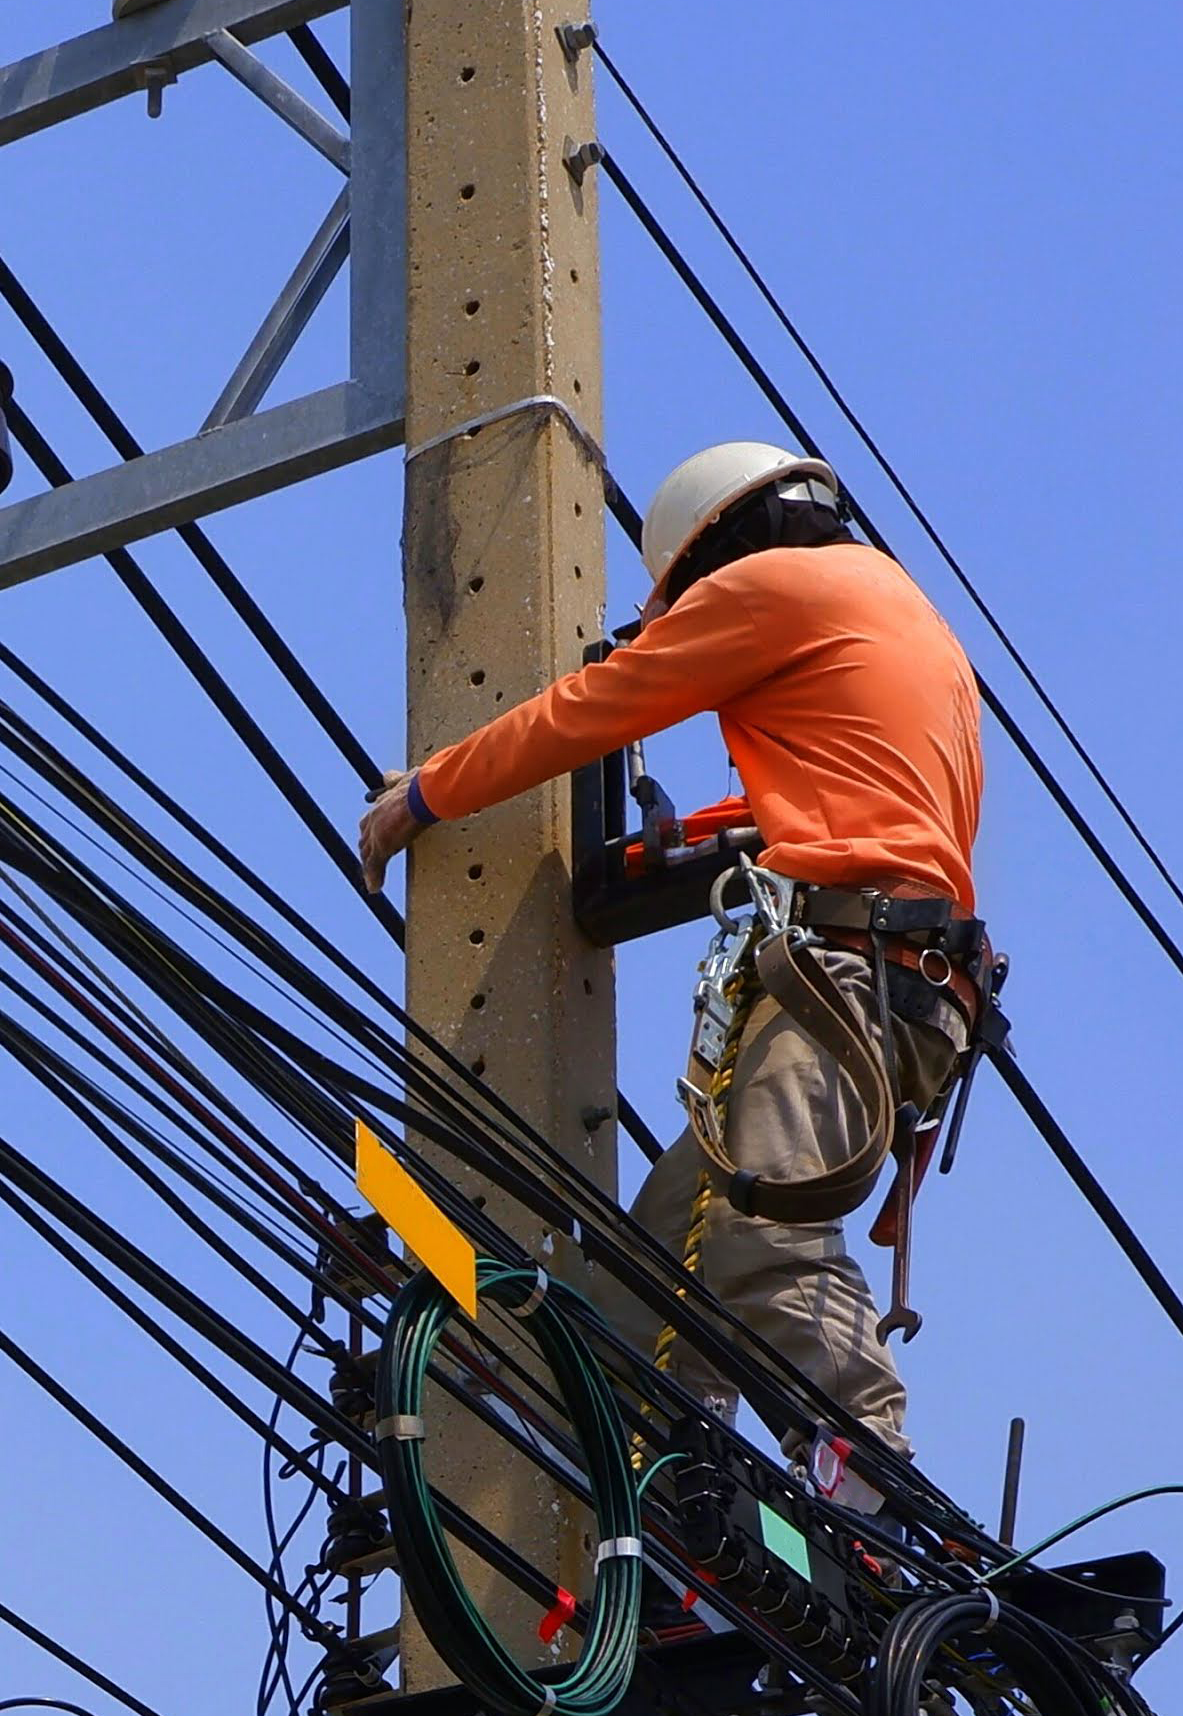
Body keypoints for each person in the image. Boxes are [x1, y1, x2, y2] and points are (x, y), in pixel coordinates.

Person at [350, 444, 994, 1495]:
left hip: (844, 979)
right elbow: (831, 806)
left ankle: (873, 1480)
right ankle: (665, 1493)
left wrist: (427, 794)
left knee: (759, 1235)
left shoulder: (770, 584)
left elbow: (592, 707)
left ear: (716, 549)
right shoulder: (901, 617)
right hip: (909, 992)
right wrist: (681, 843)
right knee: (648, 1292)